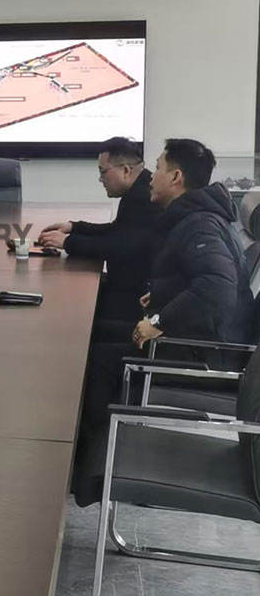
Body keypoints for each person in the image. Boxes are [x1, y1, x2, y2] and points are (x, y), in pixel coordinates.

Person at [73, 138, 254, 506]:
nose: (150, 176)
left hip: (206, 352)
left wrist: (159, 318)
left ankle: (89, 474)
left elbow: (217, 288)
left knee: (98, 362)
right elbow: (198, 279)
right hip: (199, 337)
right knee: (88, 337)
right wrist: (162, 293)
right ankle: (84, 460)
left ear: (176, 177)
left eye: (157, 168)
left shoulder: (200, 224)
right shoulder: (194, 217)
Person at [38, 136, 159, 322]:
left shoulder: (143, 197)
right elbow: (118, 231)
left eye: (103, 172)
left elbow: (117, 247)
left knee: (69, 309)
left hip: (134, 298)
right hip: (130, 287)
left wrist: (68, 243)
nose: (100, 179)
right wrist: (74, 227)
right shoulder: (139, 189)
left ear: (126, 170)